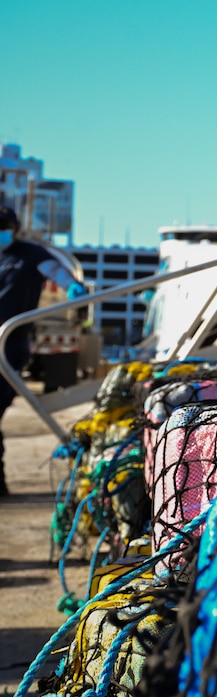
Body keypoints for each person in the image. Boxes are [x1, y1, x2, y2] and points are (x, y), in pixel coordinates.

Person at [0, 206, 88, 497]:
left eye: (4, 227)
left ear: (15, 229)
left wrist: (72, 286)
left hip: (10, 343)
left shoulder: (31, 254)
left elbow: (56, 272)